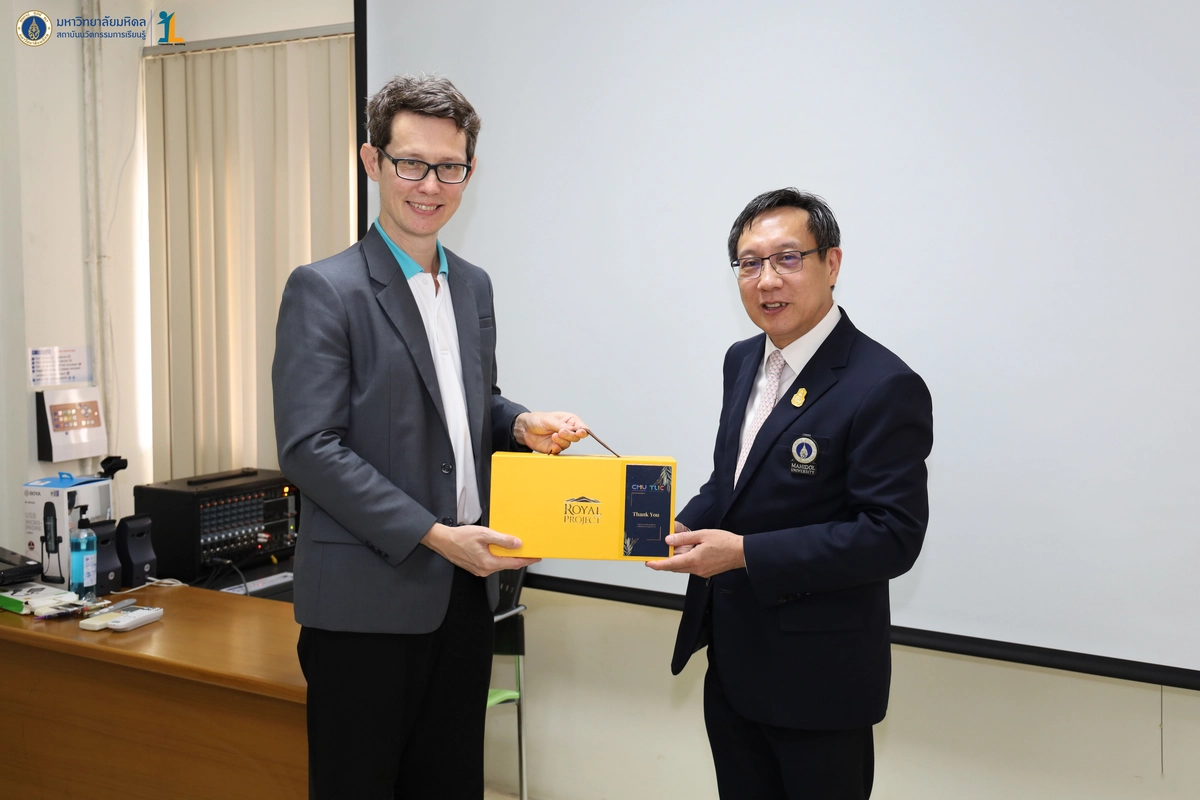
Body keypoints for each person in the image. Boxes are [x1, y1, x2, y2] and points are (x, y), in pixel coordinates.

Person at [272, 75, 588, 799]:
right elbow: (310, 447)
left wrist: (517, 422)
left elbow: (464, 406)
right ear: (372, 161)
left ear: (469, 172)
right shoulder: (324, 289)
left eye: (450, 167)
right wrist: (437, 536)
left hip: (465, 601)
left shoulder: (473, 286)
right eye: (411, 162)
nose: (430, 185)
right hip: (363, 609)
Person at [649, 189, 933, 799]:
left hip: (819, 684)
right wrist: (668, 525)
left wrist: (744, 553)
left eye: (787, 258)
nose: (767, 280)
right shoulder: (742, 360)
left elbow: (892, 536)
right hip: (734, 665)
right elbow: (731, 484)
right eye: (749, 263)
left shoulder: (883, 384)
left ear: (832, 263)